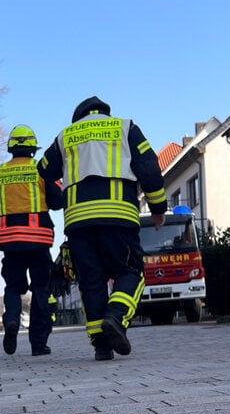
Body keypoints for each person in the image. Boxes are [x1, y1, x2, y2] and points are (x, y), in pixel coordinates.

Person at [37, 96, 167, 361]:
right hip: (118, 216)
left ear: (79, 116)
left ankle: (101, 346)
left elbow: (43, 170)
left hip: (78, 222)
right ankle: (116, 317)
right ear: (105, 112)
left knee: (92, 282)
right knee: (130, 272)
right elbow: (149, 168)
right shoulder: (126, 127)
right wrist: (157, 208)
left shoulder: (67, 135)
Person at [0, 124, 63, 356]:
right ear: (32, 149)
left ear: (11, 148)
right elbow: (57, 201)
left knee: (13, 287)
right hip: (39, 241)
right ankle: (38, 344)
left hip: (10, 242)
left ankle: (12, 321)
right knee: (41, 290)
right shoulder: (42, 170)